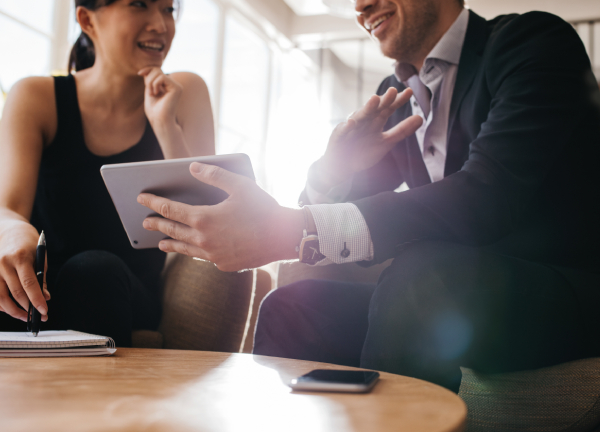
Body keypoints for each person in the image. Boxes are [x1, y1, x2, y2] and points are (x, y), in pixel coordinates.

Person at [136, 0, 600, 391]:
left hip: (559, 295)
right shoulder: (395, 94)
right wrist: (330, 169)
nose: (359, 6)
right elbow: (339, 214)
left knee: (421, 274)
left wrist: (291, 231)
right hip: (446, 298)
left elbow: (486, 197)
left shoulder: (531, 42)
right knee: (291, 307)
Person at [0, 0, 214, 346]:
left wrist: (165, 126)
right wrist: (11, 230)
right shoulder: (36, 97)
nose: (160, 25)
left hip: (121, 289)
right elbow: (6, 207)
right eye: (140, 5)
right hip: (41, 290)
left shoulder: (186, 93)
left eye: (168, 10)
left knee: (93, 272)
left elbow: (207, 219)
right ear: (87, 20)